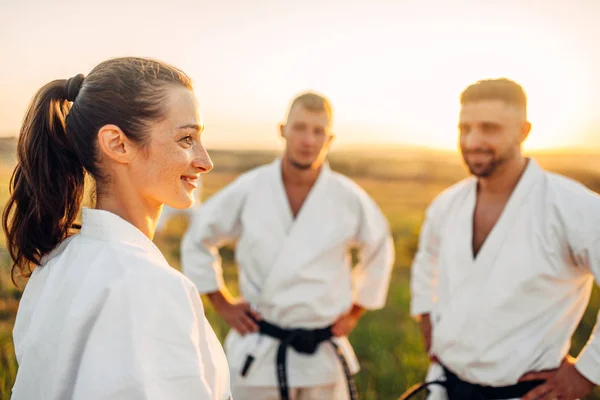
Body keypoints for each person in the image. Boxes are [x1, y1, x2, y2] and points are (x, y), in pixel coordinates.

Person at [3, 57, 231, 400]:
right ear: (117, 144)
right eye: (186, 139)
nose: (205, 161)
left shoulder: (57, 264)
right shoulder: (150, 286)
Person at [180, 92, 395, 400]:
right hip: (260, 350)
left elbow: (380, 249)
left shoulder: (348, 198)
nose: (308, 139)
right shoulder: (250, 188)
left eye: (318, 131)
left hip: (322, 358)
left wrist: (355, 311)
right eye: (300, 128)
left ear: (329, 138)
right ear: (283, 130)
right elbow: (199, 236)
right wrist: (221, 302)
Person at [409, 78, 600, 400]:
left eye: (489, 128)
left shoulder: (573, 207)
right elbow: (427, 261)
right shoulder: (447, 203)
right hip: (445, 384)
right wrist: (426, 316)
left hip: (524, 392)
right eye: (464, 128)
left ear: (523, 131)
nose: (472, 141)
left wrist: (587, 371)